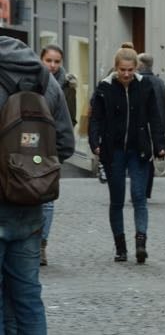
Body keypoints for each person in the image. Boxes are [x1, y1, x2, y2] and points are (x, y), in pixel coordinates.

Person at [0, 36, 75, 333]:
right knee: (28, 297)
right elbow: (66, 144)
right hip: (30, 207)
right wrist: (30, 169)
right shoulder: (45, 78)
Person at [88, 43, 165, 264]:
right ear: (116, 68)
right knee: (117, 200)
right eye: (122, 70)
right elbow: (96, 119)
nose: (126, 74)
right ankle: (120, 247)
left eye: (130, 70)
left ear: (136, 69)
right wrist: (95, 142)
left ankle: (140, 242)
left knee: (139, 196)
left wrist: (160, 144)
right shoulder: (104, 88)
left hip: (138, 149)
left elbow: (155, 117)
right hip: (113, 151)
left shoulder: (145, 87)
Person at [38, 44, 78, 266]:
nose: (53, 65)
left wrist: (60, 153)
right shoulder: (33, 79)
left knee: (48, 200)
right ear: (41, 59)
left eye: (56, 61)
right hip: (32, 148)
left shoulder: (66, 84)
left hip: (51, 149)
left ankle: (41, 244)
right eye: (49, 60)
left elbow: (69, 119)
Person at [137, 53, 165, 199]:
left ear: (141, 64)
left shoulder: (140, 81)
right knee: (149, 159)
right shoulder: (160, 82)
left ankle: (141, 190)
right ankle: (146, 190)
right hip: (157, 127)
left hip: (144, 127)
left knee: (141, 159)